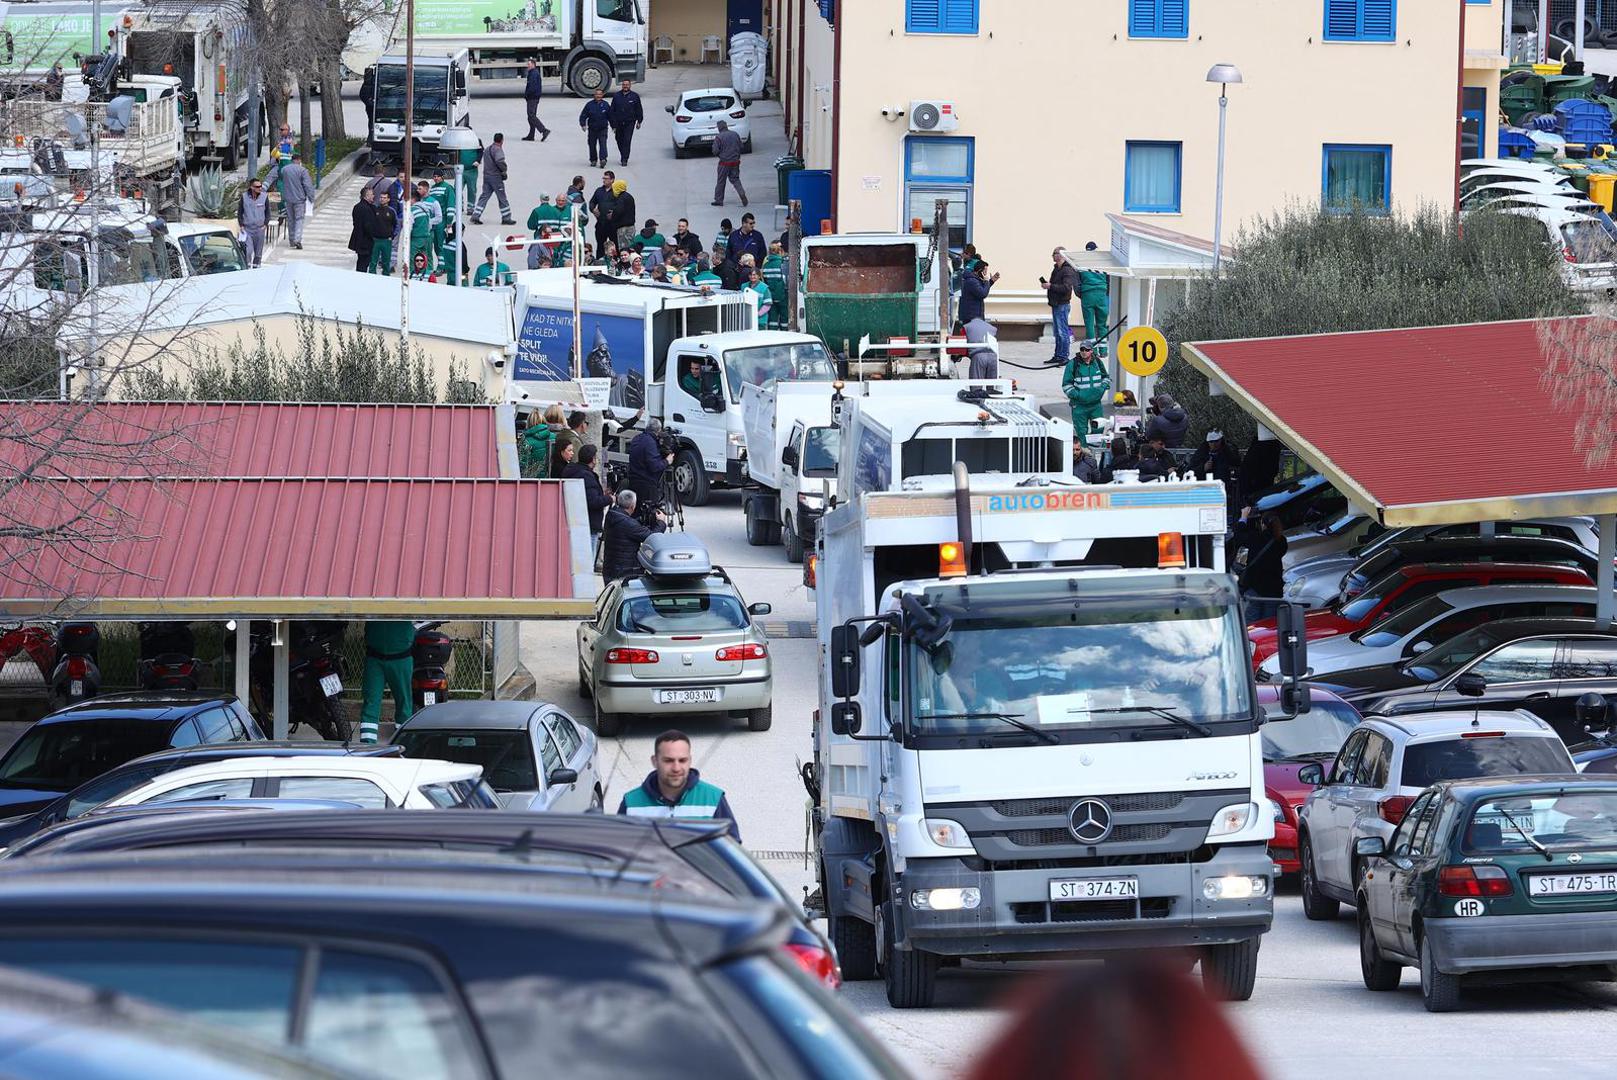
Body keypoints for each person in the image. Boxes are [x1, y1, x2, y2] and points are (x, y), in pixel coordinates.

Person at [617, 730, 740, 840]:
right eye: (668, 761)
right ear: (655, 761)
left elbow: (733, 850)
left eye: (682, 760)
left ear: (690, 760)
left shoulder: (713, 798)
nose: (676, 768)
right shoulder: (631, 803)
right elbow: (616, 850)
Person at [359, 620, 415, 744]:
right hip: (380, 657)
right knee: (372, 705)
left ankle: (403, 745)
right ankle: (368, 747)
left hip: (396, 657)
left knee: (403, 706)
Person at [1233, 508, 1288, 620]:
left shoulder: (1255, 538)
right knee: (1270, 623)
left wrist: (1244, 517)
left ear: (1263, 524)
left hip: (1255, 587)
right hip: (1274, 590)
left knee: (1252, 623)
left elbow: (1238, 536)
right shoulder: (1281, 541)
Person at [601, 489, 666, 580]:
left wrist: (640, 519)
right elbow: (652, 538)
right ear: (632, 506)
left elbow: (628, 526)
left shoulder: (612, 514)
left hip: (610, 568)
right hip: (625, 572)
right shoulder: (629, 524)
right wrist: (661, 522)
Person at [562, 443, 611, 549]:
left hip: (575, 520)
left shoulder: (572, 471)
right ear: (592, 459)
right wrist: (609, 499)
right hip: (589, 524)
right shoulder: (587, 476)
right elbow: (593, 501)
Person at [1061, 339, 1110, 442]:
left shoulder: (1097, 362)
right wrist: (1078, 395)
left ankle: (1096, 455)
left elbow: (1105, 377)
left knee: (1099, 431)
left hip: (1096, 405)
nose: (1084, 352)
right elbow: (1066, 385)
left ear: (1091, 351)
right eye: (1082, 349)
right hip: (1079, 407)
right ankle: (1083, 454)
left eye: (1086, 349)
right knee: (1081, 433)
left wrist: (1102, 388)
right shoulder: (1072, 364)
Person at [1039, 247, 1080, 363]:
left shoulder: (1067, 270)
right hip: (1056, 304)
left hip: (1062, 305)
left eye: (1054, 253)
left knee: (1062, 332)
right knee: (1057, 332)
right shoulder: (1057, 269)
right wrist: (1048, 285)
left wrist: (1050, 286)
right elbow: (1056, 284)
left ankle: (1063, 357)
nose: (1052, 256)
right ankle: (1058, 355)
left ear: (1061, 255)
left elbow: (1066, 288)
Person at [470, 133, 514, 225]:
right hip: (496, 177)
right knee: (502, 197)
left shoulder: (487, 149)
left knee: (484, 196)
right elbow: (499, 160)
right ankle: (506, 217)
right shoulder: (498, 150)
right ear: (502, 140)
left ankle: (475, 215)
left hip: (487, 177)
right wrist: (504, 169)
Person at [628, 417, 673, 506]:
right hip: (647, 486)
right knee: (649, 515)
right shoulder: (650, 442)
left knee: (636, 513)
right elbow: (655, 466)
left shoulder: (637, 438)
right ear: (658, 431)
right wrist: (667, 461)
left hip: (633, 482)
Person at [1078, 241, 1111, 356]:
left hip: (1087, 295)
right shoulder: (1102, 262)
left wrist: (1081, 294)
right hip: (1101, 294)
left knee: (1089, 324)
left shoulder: (1081, 263)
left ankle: (1092, 351)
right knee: (1102, 324)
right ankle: (1103, 351)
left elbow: (1077, 282)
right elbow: (1109, 278)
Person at [277, 152, 316, 250]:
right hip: (299, 199)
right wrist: (311, 197)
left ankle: (291, 240)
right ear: (299, 160)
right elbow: (307, 185)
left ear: (292, 160)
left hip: (288, 198)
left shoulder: (284, 170)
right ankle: (297, 239)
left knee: (291, 219)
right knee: (299, 219)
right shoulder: (302, 171)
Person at [711, 120, 747, 207]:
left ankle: (719, 200)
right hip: (735, 162)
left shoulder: (719, 137)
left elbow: (715, 151)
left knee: (721, 181)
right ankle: (742, 193)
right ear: (726, 126)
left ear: (719, 128)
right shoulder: (735, 134)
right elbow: (741, 146)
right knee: (735, 179)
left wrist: (721, 154)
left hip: (724, 163)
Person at [519, 404, 563, 477]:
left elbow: (523, 466)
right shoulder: (554, 437)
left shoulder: (526, 441)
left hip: (534, 481)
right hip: (554, 479)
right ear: (543, 421)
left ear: (528, 423)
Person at [608, 78, 643, 166]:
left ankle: (624, 159)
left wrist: (639, 121)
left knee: (627, 140)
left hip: (630, 122)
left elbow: (639, 109)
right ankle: (623, 154)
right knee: (619, 139)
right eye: (624, 85)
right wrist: (613, 124)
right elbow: (612, 110)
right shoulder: (616, 96)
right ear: (622, 85)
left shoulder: (635, 96)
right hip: (618, 122)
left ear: (630, 85)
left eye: (627, 84)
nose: (625, 86)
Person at [407, 183, 439, 279]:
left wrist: (406, 238)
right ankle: (428, 277)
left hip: (415, 239)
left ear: (413, 199)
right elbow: (429, 223)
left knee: (414, 260)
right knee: (425, 259)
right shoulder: (426, 209)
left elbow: (409, 226)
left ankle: (414, 278)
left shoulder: (412, 210)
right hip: (426, 238)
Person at [237, 177, 268, 268]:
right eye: (257, 186)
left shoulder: (264, 197)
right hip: (247, 229)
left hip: (259, 229)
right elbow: (240, 212)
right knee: (248, 251)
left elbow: (268, 213)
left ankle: (256, 268)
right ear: (252, 187)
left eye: (260, 186)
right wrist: (241, 225)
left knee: (258, 254)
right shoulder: (244, 197)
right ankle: (247, 268)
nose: (260, 188)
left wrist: (265, 224)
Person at [579, 87, 612, 167]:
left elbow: (611, 116)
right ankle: (593, 160)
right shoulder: (589, 105)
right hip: (592, 129)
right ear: (594, 95)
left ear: (602, 95)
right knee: (592, 144)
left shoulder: (606, 105)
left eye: (600, 94)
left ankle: (603, 159)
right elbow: (583, 115)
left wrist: (614, 126)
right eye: (597, 94)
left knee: (603, 144)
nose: (598, 96)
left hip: (603, 128)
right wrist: (583, 124)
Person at [958, 260, 997, 325]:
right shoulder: (972, 281)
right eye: (985, 271)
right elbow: (982, 294)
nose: (985, 274)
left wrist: (991, 281)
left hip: (974, 316)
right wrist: (987, 281)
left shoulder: (975, 279)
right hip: (971, 317)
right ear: (979, 271)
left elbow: (981, 289)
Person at [368, 190, 398, 273]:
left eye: (384, 198)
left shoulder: (391, 211)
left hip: (386, 240)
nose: (382, 199)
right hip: (375, 240)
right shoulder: (374, 209)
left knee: (386, 262)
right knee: (373, 261)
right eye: (381, 197)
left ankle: (386, 277)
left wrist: (392, 236)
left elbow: (396, 225)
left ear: (388, 199)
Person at [348, 186, 376, 271]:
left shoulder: (357, 206)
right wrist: (374, 236)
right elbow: (368, 226)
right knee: (363, 263)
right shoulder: (366, 209)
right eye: (372, 194)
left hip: (359, 238)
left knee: (361, 261)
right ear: (366, 196)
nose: (373, 196)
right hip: (365, 241)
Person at [521, 58, 550, 141]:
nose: (528, 66)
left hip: (532, 97)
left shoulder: (533, 74)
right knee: (531, 117)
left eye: (529, 64)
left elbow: (532, 87)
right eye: (527, 64)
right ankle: (531, 135)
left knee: (531, 115)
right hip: (534, 97)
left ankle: (544, 130)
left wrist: (527, 95)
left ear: (533, 65)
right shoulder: (533, 73)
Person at [589, 170, 618, 253]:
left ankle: (615, 262)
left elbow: (621, 205)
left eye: (606, 178)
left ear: (612, 180)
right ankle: (600, 261)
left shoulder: (616, 191)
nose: (604, 180)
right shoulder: (599, 191)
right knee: (600, 245)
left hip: (613, 225)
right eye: (603, 178)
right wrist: (593, 209)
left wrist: (614, 212)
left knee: (615, 245)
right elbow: (592, 202)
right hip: (601, 223)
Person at [552, 410, 588, 474]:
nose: (587, 426)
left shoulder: (563, 435)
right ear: (582, 424)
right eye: (586, 423)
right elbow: (576, 463)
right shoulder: (575, 441)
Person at [761, 242, 787, 328]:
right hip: (783, 296)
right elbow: (786, 281)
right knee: (785, 319)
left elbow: (764, 281)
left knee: (772, 320)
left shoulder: (765, 266)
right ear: (780, 251)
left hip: (771, 296)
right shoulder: (783, 264)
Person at [609, 178, 637, 250]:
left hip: (623, 228)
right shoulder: (629, 196)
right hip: (631, 226)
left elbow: (618, 211)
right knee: (630, 247)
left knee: (624, 249)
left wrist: (612, 216)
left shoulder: (621, 198)